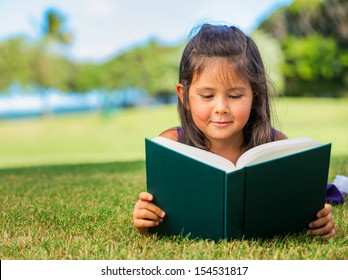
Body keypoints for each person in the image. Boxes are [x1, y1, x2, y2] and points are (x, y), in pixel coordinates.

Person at [133, 24, 336, 239]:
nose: (221, 107)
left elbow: (301, 210)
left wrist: (320, 223)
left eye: (235, 96)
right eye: (207, 96)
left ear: (255, 96)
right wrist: (145, 220)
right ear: (184, 97)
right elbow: (156, 211)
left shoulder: (276, 144)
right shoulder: (172, 145)